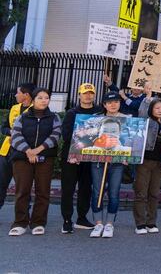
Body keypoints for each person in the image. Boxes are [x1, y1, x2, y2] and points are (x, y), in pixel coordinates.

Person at [7, 87, 61, 236]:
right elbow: (15, 136)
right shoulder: (23, 117)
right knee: (22, 191)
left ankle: (38, 222)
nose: (44, 100)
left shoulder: (54, 117)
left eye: (46, 98)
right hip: (22, 159)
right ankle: (20, 222)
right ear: (33, 99)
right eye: (40, 98)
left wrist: (37, 150)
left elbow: (55, 136)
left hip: (45, 158)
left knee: (43, 191)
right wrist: (28, 151)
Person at [59, 83, 102, 234]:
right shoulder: (72, 113)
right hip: (71, 156)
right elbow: (65, 135)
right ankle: (66, 220)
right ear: (79, 95)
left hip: (90, 156)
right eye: (85, 93)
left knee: (86, 188)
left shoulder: (99, 112)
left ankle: (82, 218)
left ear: (94, 95)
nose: (88, 96)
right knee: (68, 188)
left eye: (91, 93)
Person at [88, 93, 129, 238]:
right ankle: (98, 223)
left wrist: (126, 157)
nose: (113, 105)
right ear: (104, 105)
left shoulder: (127, 119)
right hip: (98, 161)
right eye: (109, 102)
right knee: (97, 192)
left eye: (116, 101)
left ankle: (110, 224)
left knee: (114, 192)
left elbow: (130, 143)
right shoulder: (96, 119)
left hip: (117, 162)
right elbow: (87, 139)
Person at [133, 98, 161, 234]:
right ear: (151, 109)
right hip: (144, 162)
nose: (160, 111)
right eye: (157, 108)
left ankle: (151, 222)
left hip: (159, 163)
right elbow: (141, 112)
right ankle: (140, 223)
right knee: (141, 193)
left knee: (154, 194)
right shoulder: (146, 122)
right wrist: (147, 97)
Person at [0, 83, 34, 213]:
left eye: (18, 92)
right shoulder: (14, 108)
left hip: (23, 152)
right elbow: (4, 128)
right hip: (6, 151)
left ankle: (23, 214)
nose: (15, 95)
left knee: (22, 186)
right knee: (1, 183)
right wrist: (11, 132)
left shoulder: (35, 110)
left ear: (26, 95)